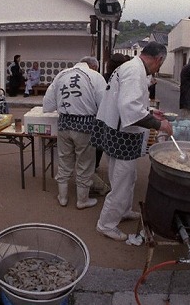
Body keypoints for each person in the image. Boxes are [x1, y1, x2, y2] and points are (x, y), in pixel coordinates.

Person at [91, 42, 173, 241]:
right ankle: (106, 224)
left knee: (127, 176)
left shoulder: (130, 67)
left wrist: (151, 112)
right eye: (160, 64)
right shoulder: (135, 71)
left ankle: (124, 210)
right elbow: (130, 109)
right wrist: (160, 125)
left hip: (115, 128)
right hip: (123, 134)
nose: (159, 68)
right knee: (122, 179)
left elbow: (127, 102)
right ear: (158, 59)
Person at [43, 56, 107, 209]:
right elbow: (105, 104)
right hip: (85, 126)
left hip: (64, 124)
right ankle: (82, 201)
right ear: (93, 66)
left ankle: (63, 197)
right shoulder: (95, 77)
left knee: (64, 161)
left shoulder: (61, 75)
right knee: (85, 164)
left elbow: (48, 104)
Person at [95, 52, 128, 169]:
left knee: (99, 144)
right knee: (113, 149)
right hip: (116, 119)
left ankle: (95, 165)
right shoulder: (123, 78)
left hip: (101, 114)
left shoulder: (103, 77)